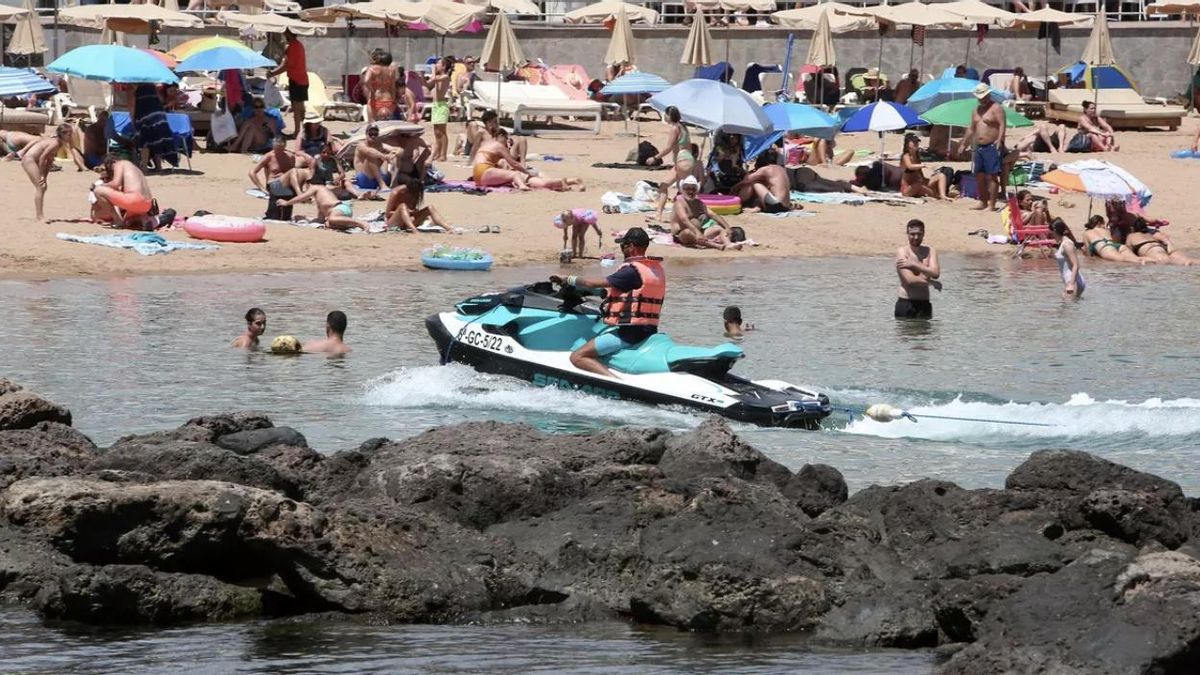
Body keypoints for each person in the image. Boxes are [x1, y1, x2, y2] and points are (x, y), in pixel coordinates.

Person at [548, 227, 665, 378]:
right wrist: (584, 291)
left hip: (628, 334)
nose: (622, 249)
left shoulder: (631, 271)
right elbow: (611, 292)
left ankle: (616, 383)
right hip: (647, 330)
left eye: (623, 245)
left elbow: (591, 283)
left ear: (631, 246)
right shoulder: (653, 270)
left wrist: (567, 279)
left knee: (578, 356)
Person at [471, 129, 581, 190]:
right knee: (518, 176)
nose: (507, 142)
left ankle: (570, 181)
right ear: (501, 137)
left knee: (540, 184)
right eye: (506, 139)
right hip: (485, 171)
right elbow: (513, 163)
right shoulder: (498, 146)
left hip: (478, 175)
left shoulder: (488, 145)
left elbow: (504, 164)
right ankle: (523, 186)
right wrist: (526, 172)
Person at [957, 82, 1006, 212]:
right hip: (979, 146)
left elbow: (1002, 124)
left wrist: (1000, 140)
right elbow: (971, 128)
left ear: (988, 95)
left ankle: (992, 204)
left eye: (984, 96)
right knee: (979, 175)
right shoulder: (976, 110)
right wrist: (964, 143)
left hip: (991, 145)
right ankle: (983, 201)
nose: (982, 99)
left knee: (992, 176)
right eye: (980, 97)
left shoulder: (996, 108)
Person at [648, 106, 696, 222]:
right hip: (687, 159)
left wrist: (655, 158)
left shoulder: (674, 128)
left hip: (682, 160)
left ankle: (693, 216)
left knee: (686, 190)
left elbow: (668, 148)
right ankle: (658, 214)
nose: (664, 116)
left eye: (665, 114)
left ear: (669, 115)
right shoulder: (683, 127)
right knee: (664, 186)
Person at [20, 124, 74, 222]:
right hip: (29, 160)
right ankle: (39, 216)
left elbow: (49, 161)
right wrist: (41, 175)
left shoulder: (59, 143)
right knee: (40, 187)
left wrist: (45, 177)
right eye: (69, 134)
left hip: (33, 160)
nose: (71, 136)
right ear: (62, 134)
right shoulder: (55, 143)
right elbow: (42, 157)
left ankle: (39, 215)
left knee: (43, 187)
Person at [92, 155, 157, 230]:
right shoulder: (135, 168)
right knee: (130, 220)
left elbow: (115, 184)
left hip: (134, 200)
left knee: (98, 191)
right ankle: (142, 221)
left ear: (113, 162)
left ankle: (118, 221)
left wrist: (100, 185)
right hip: (147, 205)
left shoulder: (119, 164)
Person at [672, 175, 736, 249]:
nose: (690, 191)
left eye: (693, 189)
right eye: (687, 189)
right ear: (683, 189)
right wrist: (698, 233)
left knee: (718, 228)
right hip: (682, 234)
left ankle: (729, 244)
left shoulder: (698, 202)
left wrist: (727, 227)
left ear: (696, 190)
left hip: (700, 232)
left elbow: (713, 215)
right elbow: (684, 220)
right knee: (688, 232)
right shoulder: (679, 203)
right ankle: (714, 245)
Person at [895, 219, 941, 319]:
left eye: (919, 234)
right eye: (912, 234)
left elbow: (936, 273)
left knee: (926, 334)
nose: (916, 237)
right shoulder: (902, 252)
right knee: (907, 334)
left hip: (925, 304)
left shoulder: (929, 251)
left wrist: (914, 265)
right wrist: (932, 283)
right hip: (906, 303)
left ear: (924, 234)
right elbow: (910, 280)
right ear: (907, 234)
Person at [281, 184, 373, 232]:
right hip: (339, 212)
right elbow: (320, 220)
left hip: (340, 208)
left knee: (332, 219)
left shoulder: (317, 188)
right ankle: (352, 224)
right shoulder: (320, 203)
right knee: (328, 223)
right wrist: (304, 218)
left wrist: (287, 203)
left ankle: (361, 223)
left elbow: (302, 197)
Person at [250, 136, 302, 220]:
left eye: (281, 148)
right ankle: (299, 193)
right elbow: (252, 173)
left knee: (285, 217)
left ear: (284, 146)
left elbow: (292, 174)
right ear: (273, 146)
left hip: (287, 185)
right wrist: (262, 188)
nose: (278, 151)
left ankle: (298, 194)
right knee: (273, 217)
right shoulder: (269, 156)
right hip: (273, 183)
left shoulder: (290, 156)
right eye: (277, 148)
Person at [130, 82, 178, 170]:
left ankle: (144, 167)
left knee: (145, 141)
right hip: (159, 115)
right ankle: (158, 166)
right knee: (157, 140)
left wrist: (132, 120)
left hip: (144, 115)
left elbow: (132, 105)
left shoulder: (133, 89)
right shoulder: (152, 86)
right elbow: (159, 100)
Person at [270, 30, 308, 136]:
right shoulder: (298, 45)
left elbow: (287, 65)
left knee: (296, 107)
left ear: (289, 34)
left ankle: (297, 132)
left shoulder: (293, 47)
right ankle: (304, 130)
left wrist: (273, 73)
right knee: (301, 107)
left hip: (296, 80)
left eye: (285, 34)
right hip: (302, 79)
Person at [385, 174, 451, 233]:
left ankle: (449, 228)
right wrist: (405, 211)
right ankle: (414, 230)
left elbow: (413, 211)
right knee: (403, 206)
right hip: (394, 221)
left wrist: (412, 212)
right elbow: (387, 214)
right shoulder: (396, 193)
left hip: (409, 221)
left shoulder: (415, 194)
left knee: (430, 208)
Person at [1119, 217, 1194, 266]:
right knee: (1175, 261)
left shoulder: (1131, 236)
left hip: (1150, 253)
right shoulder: (1149, 234)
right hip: (1160, 248)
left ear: (1133, 228)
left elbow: (1129, 252)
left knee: (1150, 261)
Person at [462, 109, 527, 163]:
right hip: (492, 156)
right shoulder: (481, 133)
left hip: (504, 153)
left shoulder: (499, 131)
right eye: (495, 122)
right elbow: (475, 147)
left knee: (522, 139)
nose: (497, 123)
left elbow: (508, 142)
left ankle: (523, 162)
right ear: (488, 122)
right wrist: (470, 161)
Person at [899, 133, 950, 200]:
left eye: (917, 142)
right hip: (908, 188)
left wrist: (926, 180)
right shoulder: (906, 156)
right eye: (914, 142)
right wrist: (924, 165)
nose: (916, 143)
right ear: (907, 143)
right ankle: (936, 195)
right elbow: (910, 166)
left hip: (919, 182)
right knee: (919, 186)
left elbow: (920, 173)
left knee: (941, 175)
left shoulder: (917, 156)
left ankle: (943, 195)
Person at [353, 124, 398, 190]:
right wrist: (385, 156)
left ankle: (393, 183)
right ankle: (382, 184)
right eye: (371, 134)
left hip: (379, 177)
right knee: (372, 155)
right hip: (365, 179)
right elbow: (369, 152)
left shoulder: (380, 145)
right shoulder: (360, 145)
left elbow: (398, 150)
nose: (373, 136)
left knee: (395, 156)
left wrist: (393, 154)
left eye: (375, 134)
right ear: (366, 134)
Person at [363, 50, 401, 123]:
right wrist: (393, 99)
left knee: (372, 123)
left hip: (375, 99)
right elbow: (393, 86)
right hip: (389, 99)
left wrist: (371, 89)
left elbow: (366, 80)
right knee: (386, 123)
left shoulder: (372, 68)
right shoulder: (392, 70)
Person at [1050, 218, 1085, 298]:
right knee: (1067, 308)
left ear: (1055, 231)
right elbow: (1065, 259)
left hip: (1073, 282)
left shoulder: (1067, 244)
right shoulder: (1063, 243)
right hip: (1070, 281)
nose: (1051, 235)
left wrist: (1071, 284)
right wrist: (1054, 256)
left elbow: (1076, 265)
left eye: (1051, 233)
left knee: (1067, 308)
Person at [428, 56, 453, 162]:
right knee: (436, 131)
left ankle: (444, 154)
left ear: (443, 66)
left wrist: (433, 70)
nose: (436, 65)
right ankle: (438, 153)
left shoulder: (445, 76)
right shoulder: (438, 77)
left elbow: (433, 79)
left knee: (442, 131)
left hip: (442, 105)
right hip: (435, 105)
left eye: (438, 64)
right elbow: (429, 83)